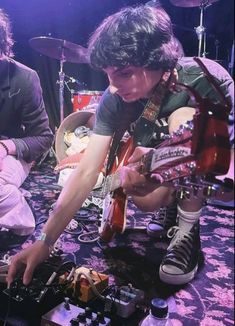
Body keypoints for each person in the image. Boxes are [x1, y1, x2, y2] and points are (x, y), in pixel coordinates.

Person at [7, 5, 234, 286]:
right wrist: (45, 240)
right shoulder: (113, 98)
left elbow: (227, 182)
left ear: (158, 61)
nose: (113, 87)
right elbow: (86, 173)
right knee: (144, 197)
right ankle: (172, 205)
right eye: (107, 74)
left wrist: (166, 162)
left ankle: (187, 230)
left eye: (124, 73)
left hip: (200, 166)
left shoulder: (207, 78)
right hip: (154, 166)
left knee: (184, 119)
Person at [0, 9, 54, 236]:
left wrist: (5, 147)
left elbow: (43, 137)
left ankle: (21, 221)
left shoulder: (25, 78)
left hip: (13, 152)